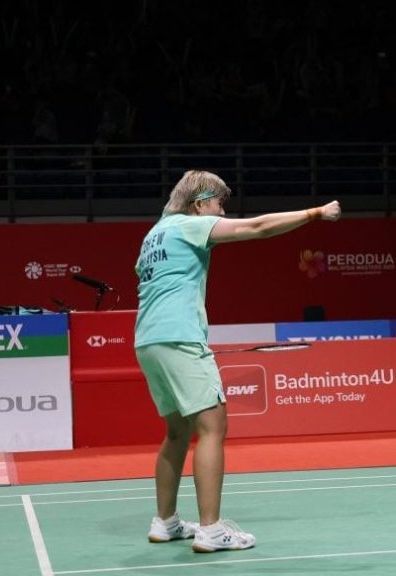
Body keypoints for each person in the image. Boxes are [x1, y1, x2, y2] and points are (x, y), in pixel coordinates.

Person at [134, 170, 341, 552]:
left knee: (177, 431)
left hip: (148, 339)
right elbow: (257, 228)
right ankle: (211, 531)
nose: (222, 212)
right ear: (200, 204)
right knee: (213, 426)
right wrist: (315, 213)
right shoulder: (189, 226)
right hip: (180, 336)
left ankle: (165, 522)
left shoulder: (155, 233)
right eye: (218, 204)